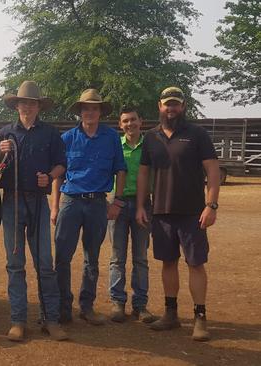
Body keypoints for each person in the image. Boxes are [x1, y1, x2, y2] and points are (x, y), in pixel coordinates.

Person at [136, 87, 220, 342]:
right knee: (168, 262)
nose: (170, 109)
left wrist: (211, 205)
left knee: (195, 263)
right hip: (161, 212)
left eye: (175, 104)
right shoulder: (151, 137)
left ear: (182, 107)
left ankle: (200, 318)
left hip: (193, 212)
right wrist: (141, 205)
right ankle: (170, 314)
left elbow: (213, 171)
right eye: (166, 104)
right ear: (159, 106)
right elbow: (143, 174)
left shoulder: (197, 134)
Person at [0, 81, 68, 342]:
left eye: (32, 103)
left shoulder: (50, 134)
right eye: (23, 102)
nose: (27, 106)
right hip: (11, 204)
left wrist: (49, 177)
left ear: (39, 106)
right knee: (15, 265)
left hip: (38, 202)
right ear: (16, 105)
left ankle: (51, 320)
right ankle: (18, 320)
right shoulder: (4, 134)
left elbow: (62, 164)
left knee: (45, 265)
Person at [52, 88, 127, 326]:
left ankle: (87, 306)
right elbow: (58, 175)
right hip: (70, 202)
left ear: (100, 112)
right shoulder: (66, 139)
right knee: (62, 257)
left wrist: (117, 201)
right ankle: (64, 307)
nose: (90, 112)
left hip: (97, 203)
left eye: (95, 108)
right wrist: (55, 207)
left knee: (91, 258)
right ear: (80, 111)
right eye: (86, 108)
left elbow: (120, 170)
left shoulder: (111, 137)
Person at [108, 106, 156, 323]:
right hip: (117, 203)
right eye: (125, 121)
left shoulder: (151, 146)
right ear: (120, 124)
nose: (130, 124)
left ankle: (140, 305)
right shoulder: (115, 146)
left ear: (141, 121)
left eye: (133, 120)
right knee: (117, 257)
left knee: (141, 257)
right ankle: (118, 302)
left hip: (143, 204)